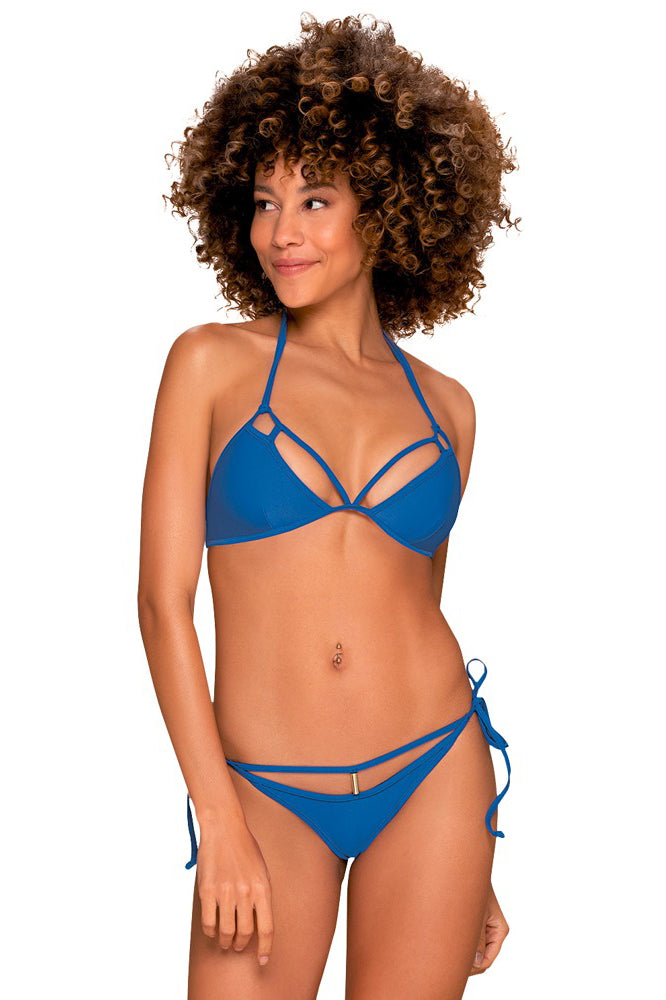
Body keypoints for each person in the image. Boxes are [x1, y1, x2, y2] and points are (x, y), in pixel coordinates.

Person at [138, 13, 518, 998]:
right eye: (265, 202)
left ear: (386, 209)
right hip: (265, 791)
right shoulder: (211, 365)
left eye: (315, 200)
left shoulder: (449, 409)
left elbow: (414, 599)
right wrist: (218, 819)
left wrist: (471, 864)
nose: (282, 232)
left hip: (434, 772)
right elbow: (163, 606)